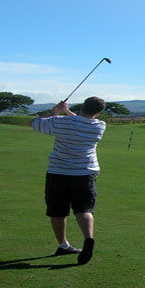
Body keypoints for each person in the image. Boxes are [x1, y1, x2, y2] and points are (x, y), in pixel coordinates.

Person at [29, 96, 106, 265]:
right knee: (84, 209)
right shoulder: (99, 126)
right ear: (98, 112)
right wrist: (65, 112)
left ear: (83, 106)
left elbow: (33, 123)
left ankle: (63, 245)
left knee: (58, 211)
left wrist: (54, 114)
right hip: (85, 174)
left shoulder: (59, 122)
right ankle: (88, 238)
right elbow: (80, 123)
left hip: (58, 173)